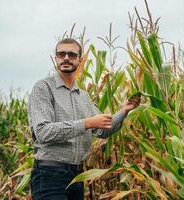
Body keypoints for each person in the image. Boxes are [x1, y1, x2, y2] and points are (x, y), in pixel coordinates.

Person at [27, 38, 141, 200]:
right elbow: (43, 132)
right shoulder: (44, 88)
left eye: (71, 55)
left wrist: (124, 110)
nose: (66, 57)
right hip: (49, 175)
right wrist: (86, 123)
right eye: (61, 54)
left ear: (80, 61)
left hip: (77, 176)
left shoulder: (83, 97)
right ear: (55, 59)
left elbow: (102, 129)